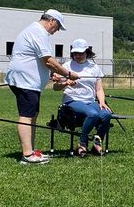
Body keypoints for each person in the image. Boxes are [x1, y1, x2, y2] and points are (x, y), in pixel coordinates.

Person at [6, 9, 79, 164]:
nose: (57, 30)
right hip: (25, 81)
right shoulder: (38, 32)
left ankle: (31, 151)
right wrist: (68, 74)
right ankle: (27, 155)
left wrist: (51, 75)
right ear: (51, 20)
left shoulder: (36, 31)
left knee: (33, 114)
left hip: (29, 81)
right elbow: (48, 60)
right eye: (58, 27)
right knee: (26, 116)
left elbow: (39, 60)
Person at [53, 38, 112, 156]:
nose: (78, 56)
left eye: (80, 53)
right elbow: (55, 87)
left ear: (87, 52)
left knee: (106, 114)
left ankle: (97, 143)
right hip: (72, 100)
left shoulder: (94, 67)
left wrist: (102, 102)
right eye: (75, 53)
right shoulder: (66, 66)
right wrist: (65, 83)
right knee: (93, 114)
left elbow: (99, 89)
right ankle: (82, 143)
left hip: (90, 101)